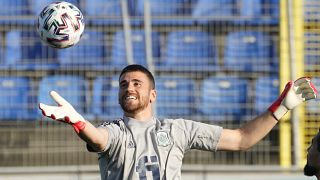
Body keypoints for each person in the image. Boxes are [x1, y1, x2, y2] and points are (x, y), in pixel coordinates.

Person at [39, 64, 317, 180]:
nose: (129, 88)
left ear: (153, 94)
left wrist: (281, 108)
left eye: (137, 83)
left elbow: (242, 139)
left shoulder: (178, 129)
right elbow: (97, 138)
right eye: (123, 84)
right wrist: (77, 122)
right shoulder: (115, 130)